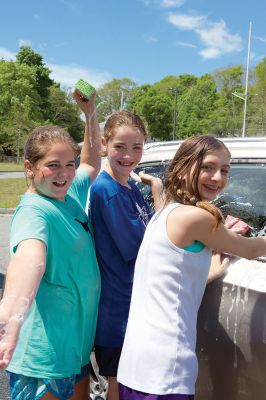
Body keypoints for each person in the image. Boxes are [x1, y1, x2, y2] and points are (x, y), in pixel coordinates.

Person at [117, 135, 266, 400]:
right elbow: (252, 249)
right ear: (184, 166)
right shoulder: (195, 217)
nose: (217, 177)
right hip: (166, 372)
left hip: (136, 367)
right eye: (208, 167)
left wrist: (208, 274)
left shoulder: (165, 213)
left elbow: (170, 274)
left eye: (224, 170)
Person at [0, 90, 101, 400]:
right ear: (30, 167)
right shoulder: (34, 210)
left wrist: (91, 114)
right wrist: (10, 321)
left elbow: (92, 162)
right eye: (53, 165)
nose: (65, 173)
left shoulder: (67, 194)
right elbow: (31, 261)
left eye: (68, 165)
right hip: (45, 354)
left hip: (76, 346)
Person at [89, 110, 163, 400]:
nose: (129, 156)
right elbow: (152, 247)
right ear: (105, 144)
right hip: (118, 313)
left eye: (137, 147)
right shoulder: (107, 191)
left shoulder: (130, 185)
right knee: (119, 386)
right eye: (120, 146)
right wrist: (158, 191)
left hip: (134, 308)